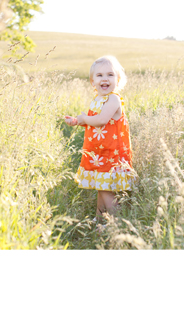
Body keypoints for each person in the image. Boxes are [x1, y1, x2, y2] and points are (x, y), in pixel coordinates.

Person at [64, 55, 136, 218]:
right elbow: (95, 122)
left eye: (110, 75)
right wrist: (78, 121)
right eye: (100, 75)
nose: (105, 79)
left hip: (111, 154)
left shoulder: (113, 99)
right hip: (98, 154)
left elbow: (101, 120)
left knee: (107, 191)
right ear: (92, 82)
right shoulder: (98, 99)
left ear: (118, 80)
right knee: (101, 189)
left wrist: (84, 119)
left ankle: (115, 225)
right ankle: (99, 221)